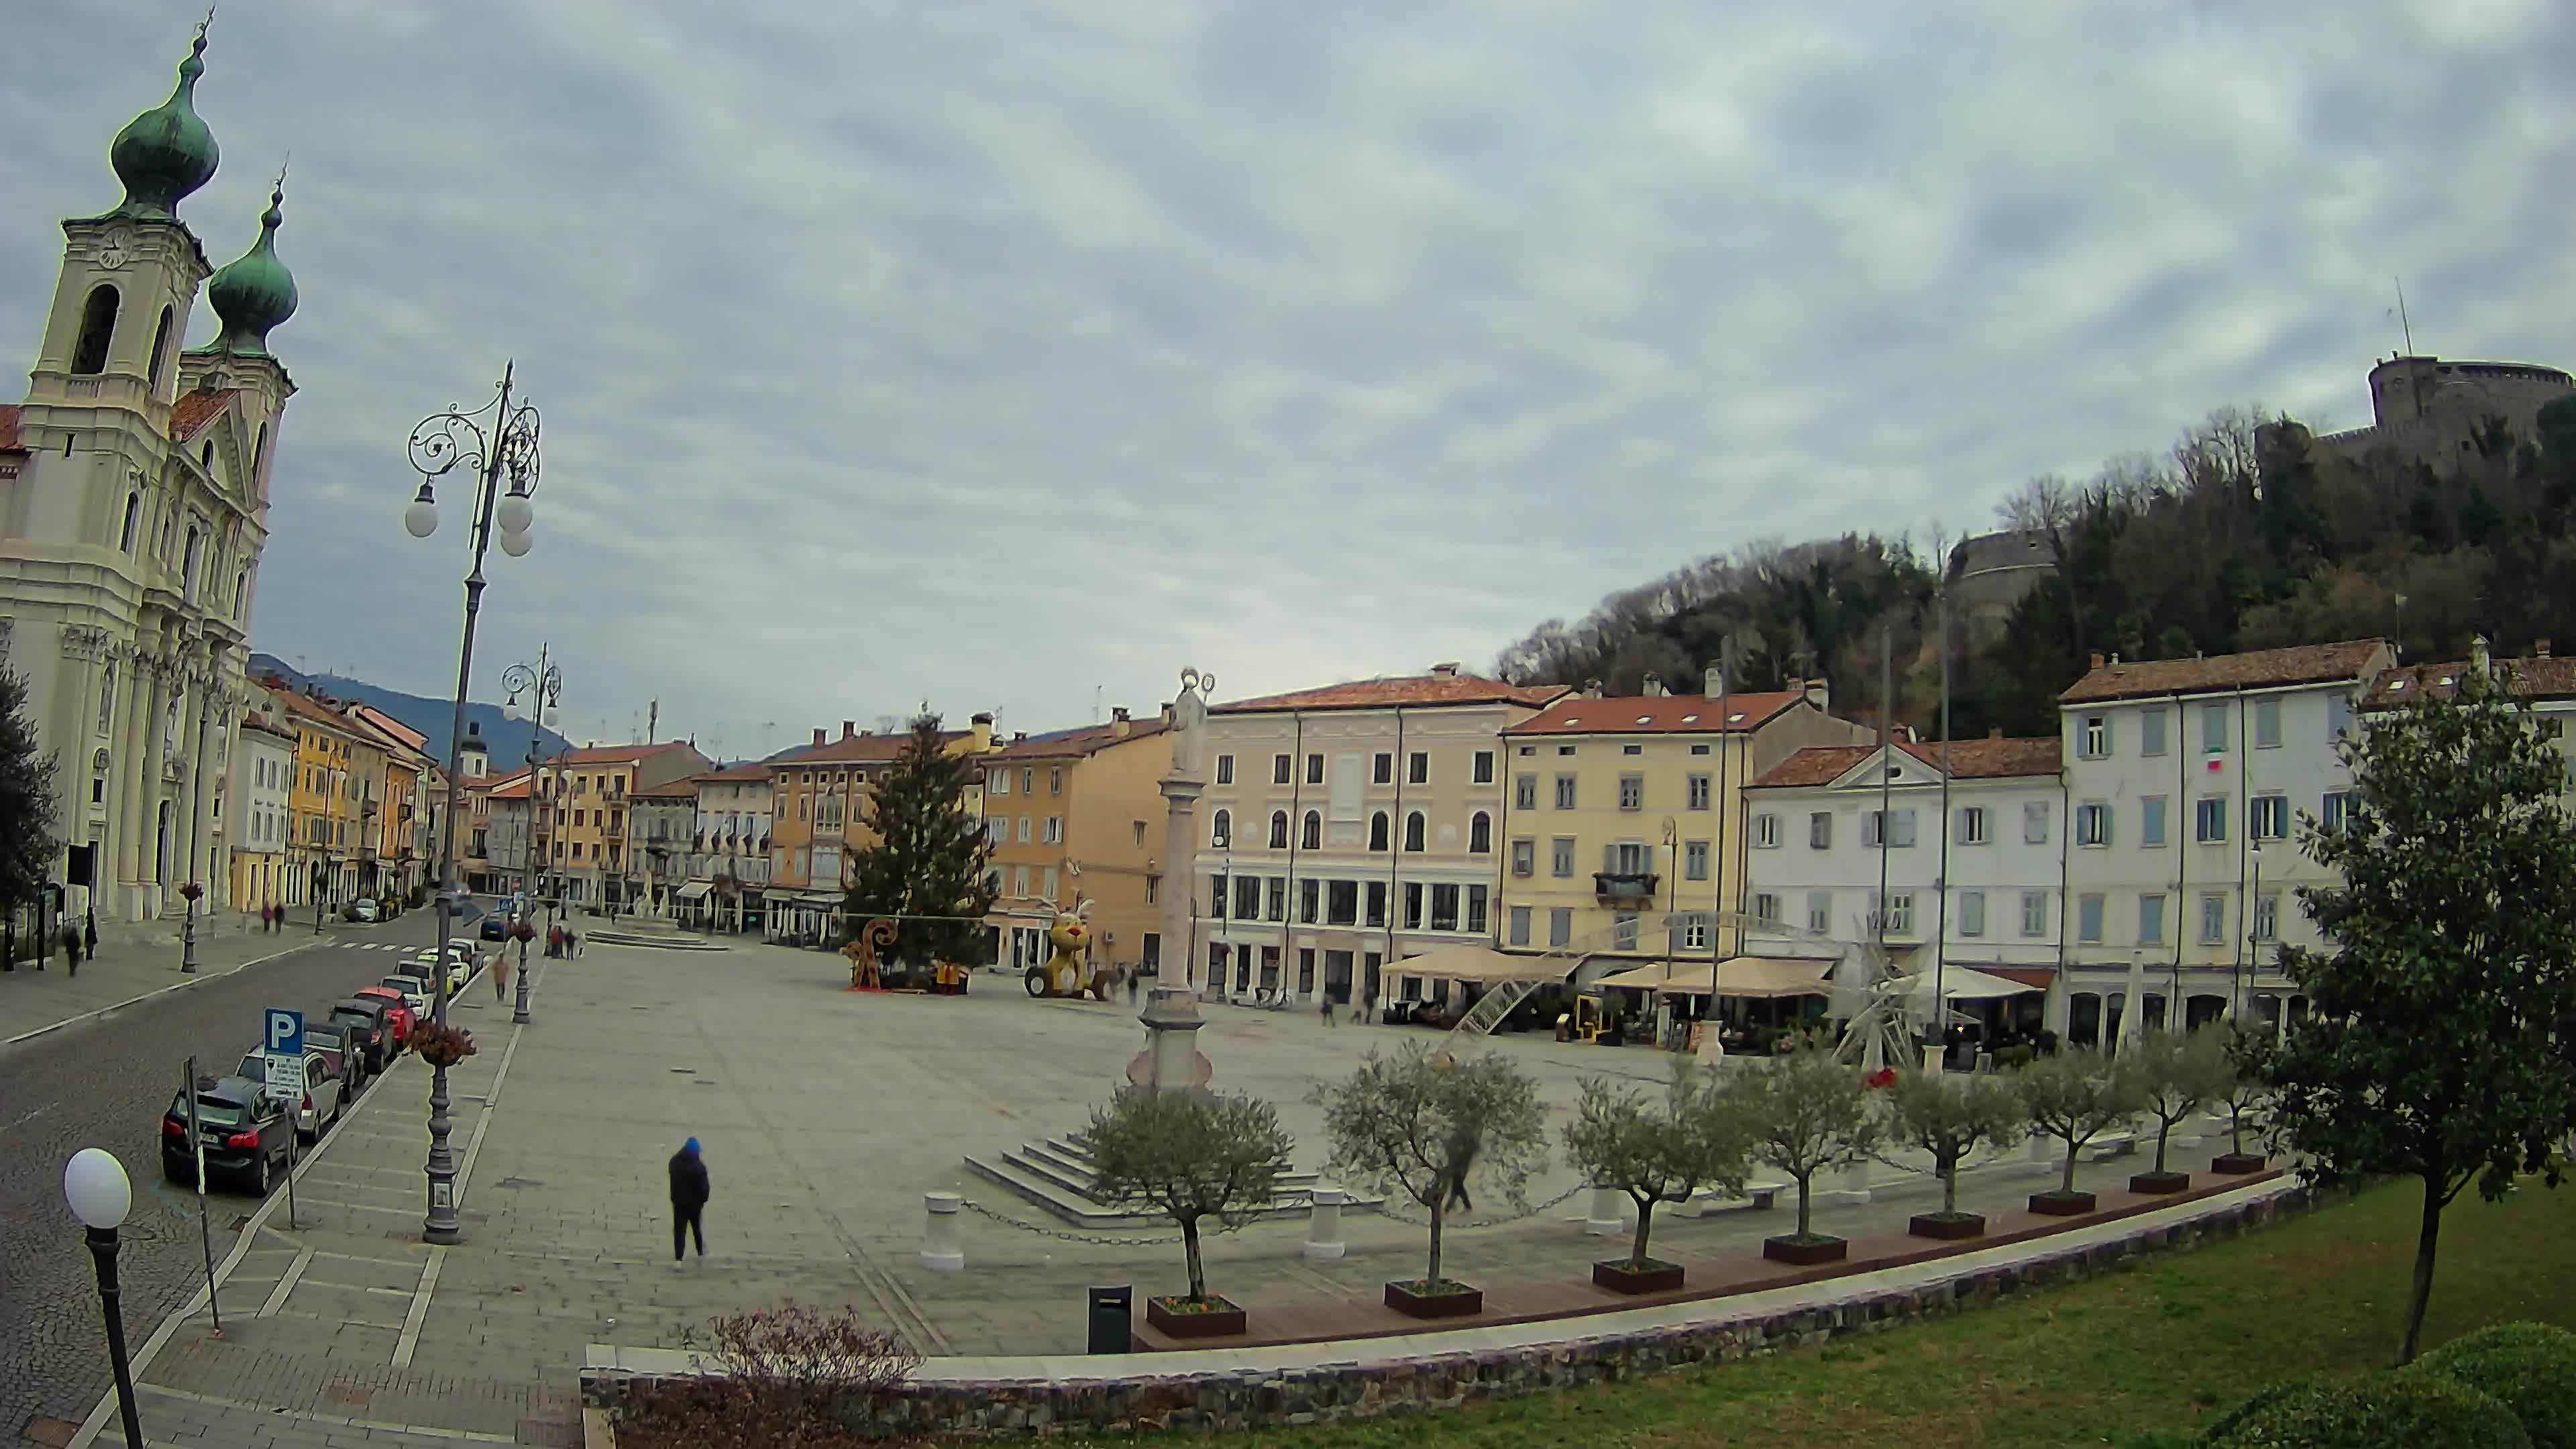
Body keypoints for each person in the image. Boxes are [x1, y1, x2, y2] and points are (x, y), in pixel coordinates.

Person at [668, 1137, 710, 1264]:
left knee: (679, 1231)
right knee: (696, 1228)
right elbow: (705, 1190)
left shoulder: (674, 1162)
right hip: (695, 1206)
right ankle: (701, 1253)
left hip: (679, 1204)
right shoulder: (699, 1168)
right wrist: (702, 1201)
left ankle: (678, 1260)